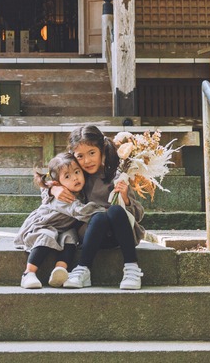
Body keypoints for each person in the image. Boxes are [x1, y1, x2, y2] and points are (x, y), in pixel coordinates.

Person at [51, 124, 146, 290]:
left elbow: (138, 215)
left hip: (118, 234)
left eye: (92, 153)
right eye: (80, 156)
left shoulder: (116, 175)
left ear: (102, 150)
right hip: (90, 235)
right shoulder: (73, 176)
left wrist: (125, 198)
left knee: (115, 211)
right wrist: (54, 188)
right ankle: (83, 268)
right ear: (73, 155)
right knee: (99, 217)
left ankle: (131, 267)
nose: (86, 161)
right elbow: (47, 183)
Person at [14, 152, 104, 289]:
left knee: (71, 237)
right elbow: (79, 211)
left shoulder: (79, 191)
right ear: (58, 183)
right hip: (44, 225)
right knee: (46, 236)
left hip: (63, 228)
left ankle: (60, 269)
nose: (75, 178)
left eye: (77, 172)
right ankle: (29, 273)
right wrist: (104, 212)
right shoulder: (63, 196)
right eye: (67, 176)